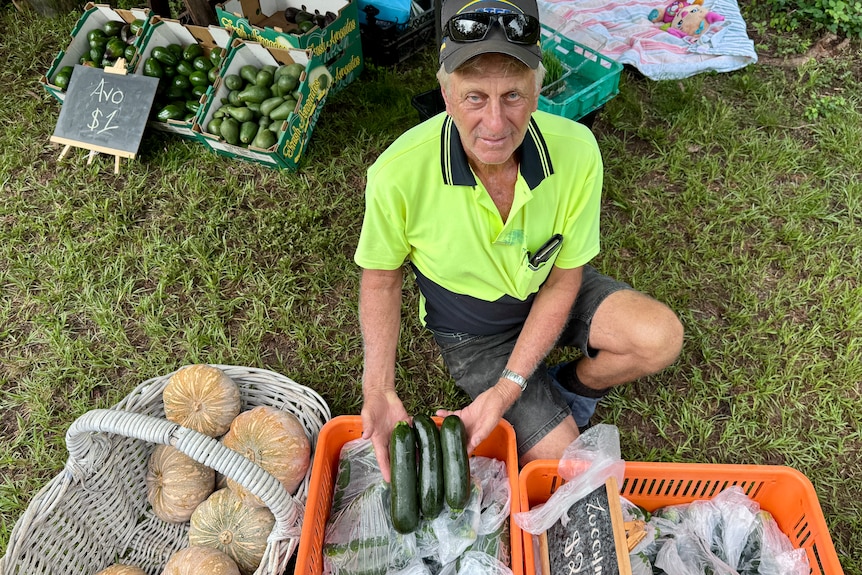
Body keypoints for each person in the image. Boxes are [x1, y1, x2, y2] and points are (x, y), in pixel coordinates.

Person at [353, 0, 684, 481]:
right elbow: (381, 280)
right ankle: (541, 399)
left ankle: (570, 386)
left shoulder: (577, 150)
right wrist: (378, 389)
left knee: (659, 339)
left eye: (512, 95)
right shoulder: (397, 174)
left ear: (535, 92)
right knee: (564, 465)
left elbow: (565, 277)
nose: (494, 123)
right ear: (446, 97)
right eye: (474, 98)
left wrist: (509, 388)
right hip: (473, 332)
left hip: (549, 288)